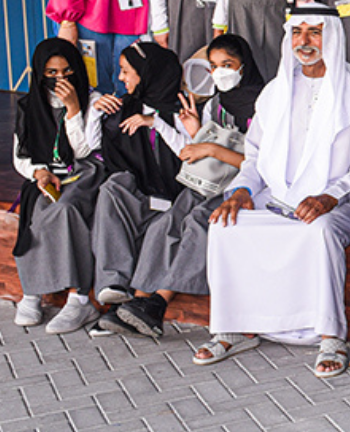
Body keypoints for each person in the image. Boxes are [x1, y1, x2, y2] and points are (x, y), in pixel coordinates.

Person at [197, 5, 350, 378]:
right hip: (279, 193)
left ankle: (331, 337)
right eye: (298, 33)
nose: (305, 42)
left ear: (332, 36)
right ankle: (234, 328)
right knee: (223, 224)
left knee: (321, 230)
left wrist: (329, 197)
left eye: (315, 32)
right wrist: (241, 191)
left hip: (339, 198)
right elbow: (255, 158)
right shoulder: (274, 93)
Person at [101, 35, 265, 339]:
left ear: (245, 65)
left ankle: (158, 303)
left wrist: (211, 149)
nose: (220, 73)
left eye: (227, 65)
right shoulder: (214, 103)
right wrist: (196, 133)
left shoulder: (266, 103)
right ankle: (136, 302)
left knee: (200, 222)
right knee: (166, 222)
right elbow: (197, 152)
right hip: (211, 181)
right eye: (214, 67)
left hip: (248, 186)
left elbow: (266, 163)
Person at [11, 39, 106, 333]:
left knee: (66, 209)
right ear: (40, 73)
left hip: (83, 170)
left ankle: (79, 298)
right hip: (46, 173)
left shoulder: (92, 100)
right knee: (35, 210)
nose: (60, 80)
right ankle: (32, 292)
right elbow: (20, 155)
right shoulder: (29, 104)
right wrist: (37, 173)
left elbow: (83, 151)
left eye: (67, 72)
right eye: (52, 73)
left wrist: (73, 108)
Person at [88, 41, 185, 311]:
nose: (120, 78)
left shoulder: (181, 109)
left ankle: (136, 304)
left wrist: (157, 124)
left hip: (175, 199)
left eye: (126, 71)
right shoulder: (129, 106)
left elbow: (188, 155)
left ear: (147, 72)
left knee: (157, 231)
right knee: (112, 187)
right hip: (142, 196)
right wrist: (95, 113)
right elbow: (95, 146)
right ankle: (112, 284)